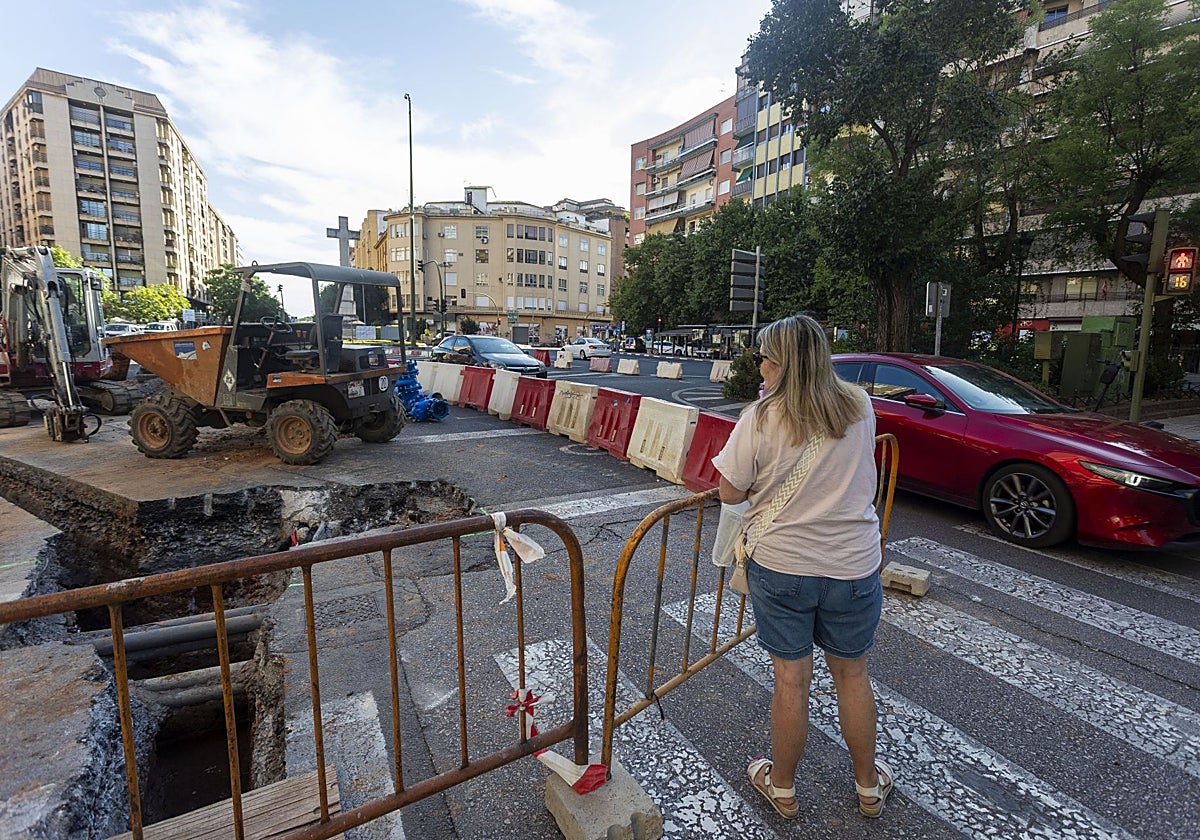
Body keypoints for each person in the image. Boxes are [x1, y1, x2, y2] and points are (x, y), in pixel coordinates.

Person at [711, 314, 891, 821]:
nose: (760, 367)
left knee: (792, 680)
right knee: (852, 675)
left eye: (764, 358)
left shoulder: (764, 416)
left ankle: (784, 788)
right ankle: (868, 787)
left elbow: (728, 491)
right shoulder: (859, 405)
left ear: (785, 363)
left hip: (784, 564)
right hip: (854, 564)